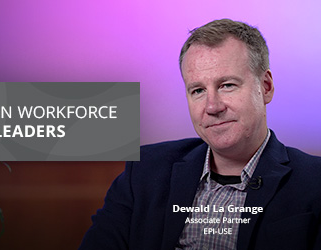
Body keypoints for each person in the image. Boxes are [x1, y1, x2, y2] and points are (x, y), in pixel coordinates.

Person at [79, 19, 321, 250]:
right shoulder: (144, 171)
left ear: (265, 87)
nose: (212, 106)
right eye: (198, 90)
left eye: (227, 85)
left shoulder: (314, 182)